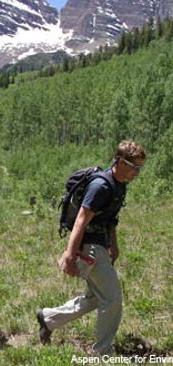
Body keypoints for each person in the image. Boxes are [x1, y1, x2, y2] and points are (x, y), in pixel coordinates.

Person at [37, 140, 146, 355]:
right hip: (90, 249)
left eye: (140, 168)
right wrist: (70, 255)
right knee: (112, 300)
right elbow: (80, 221)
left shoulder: (119, 184)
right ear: (120, 162)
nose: (137, 173)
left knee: (95, 297)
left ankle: (48, 319)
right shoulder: (101, 186)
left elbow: (110, 218)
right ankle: (102, 353)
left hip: (101, 245)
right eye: (135, 167)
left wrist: (114, 244)